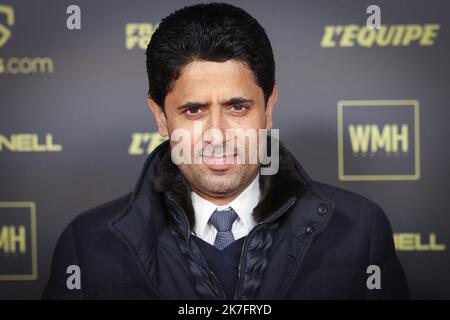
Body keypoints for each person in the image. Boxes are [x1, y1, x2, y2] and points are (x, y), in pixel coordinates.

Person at [43, 2, 409, 299]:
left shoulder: (360, 232)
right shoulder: (88, 247)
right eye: (194, 110)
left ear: (268, 108)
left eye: (237, 107)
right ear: (160, 116)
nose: (217, 135)